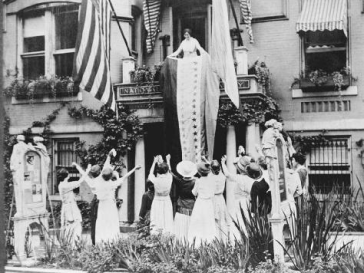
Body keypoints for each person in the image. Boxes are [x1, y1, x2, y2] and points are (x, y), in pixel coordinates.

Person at [221, 155, 254, 239]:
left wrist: (223, 163)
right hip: (247, 202)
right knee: (246, 220)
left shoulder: (240, 178)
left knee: (239, 221)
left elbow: (227, 174)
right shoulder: (251, 179)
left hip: (239, 203)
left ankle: (239, 240)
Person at [58, 164, 91, 245]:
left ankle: (71, 244)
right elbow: (80, 181)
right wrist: (87, 170)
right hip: (70, 208)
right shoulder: (65, 185)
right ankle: (73, 244)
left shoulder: (62, 185)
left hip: (68, 207)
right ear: (67, 176)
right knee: (74, 225)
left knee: (70, 226)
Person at [188, 162, 216, 246]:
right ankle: (208, 241)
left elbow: (194, 193)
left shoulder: (198, 181)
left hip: (200, 203)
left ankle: (197, 242)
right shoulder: (212, 180)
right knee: (208, 221)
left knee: (198, 222)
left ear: (199, 172)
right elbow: (213, 192)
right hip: (209, 203)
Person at [148, 155, 174, 235]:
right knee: (167, 218)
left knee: (156, 218)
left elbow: (150, 173)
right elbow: (169, 171)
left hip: (157, 200)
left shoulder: (156, 180)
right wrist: (168, 160)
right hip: (166, 200)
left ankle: (156, 234)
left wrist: (154, 162)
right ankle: (167, 234)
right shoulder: (169, 178)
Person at [172, 160, 197, 242]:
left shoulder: (179, 181)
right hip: (191, 205)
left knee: (181, 224)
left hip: (181, 206)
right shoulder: (195, 182)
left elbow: (171, 173)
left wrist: (168, 161)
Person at [211, 160, 230, 242]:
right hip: (220, 198)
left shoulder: (210, 177)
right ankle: (223, 239)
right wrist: (223, 162)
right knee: (222, 218)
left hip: (213, 198)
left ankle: (216, 239)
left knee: (214, 219)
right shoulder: (222, 176)